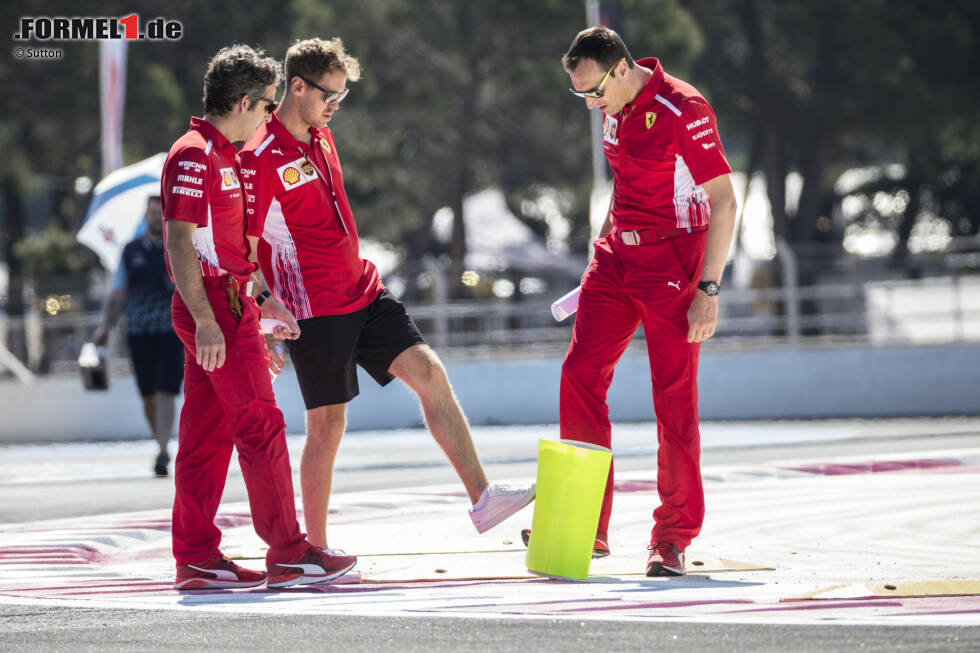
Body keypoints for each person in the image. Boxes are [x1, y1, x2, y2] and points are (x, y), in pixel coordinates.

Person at [238, 37, 535, 551]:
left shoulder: (321, 135)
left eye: (342, 97)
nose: (335, 106)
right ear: (297, 86)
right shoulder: (259, 154)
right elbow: (241, 246)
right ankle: (313, 549)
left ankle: (484, 499)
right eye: (329, 94)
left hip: (364, 290)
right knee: (328, 425)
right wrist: (263, 312)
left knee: (430, 372)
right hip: (313, 308)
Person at [540, 27, 737, 576]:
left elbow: (724, 202)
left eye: (592, 90)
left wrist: (709, 291)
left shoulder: (684, 108)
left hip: (674, 264)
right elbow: (623, 185)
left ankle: (671, 537)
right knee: (579, 374)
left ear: (621, 69)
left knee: (673, 398)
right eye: (579, 93)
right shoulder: (612, 104)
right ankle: (584, 523)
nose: (588, 102)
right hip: (615, 260)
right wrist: (598, 255)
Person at [162, 44, 356, 590]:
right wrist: (206, 319)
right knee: (260, 425)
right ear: (244, 100)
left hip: (228, 303)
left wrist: (260, 298)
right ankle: (290, 553)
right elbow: (179, 243)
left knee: (206, 436)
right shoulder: (195, 153)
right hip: (213, 309)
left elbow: (226, 247)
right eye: (267, 105)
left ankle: (196, 557)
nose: (271, 116)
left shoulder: (228, 154)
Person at [93, 196, 181, 477]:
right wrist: (106, 326)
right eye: (152, 212)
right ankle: (161, 443)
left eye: (160, 213)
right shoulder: (131, 251)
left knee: (166, 389)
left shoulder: (176, 248)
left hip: (171, 331)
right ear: (146, 215)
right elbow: (117, 292)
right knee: (148, 395)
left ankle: (164, 449)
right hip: (138, 332)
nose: (156, 218)